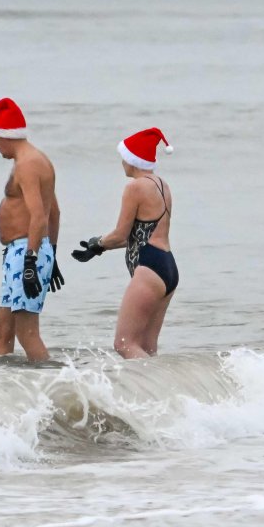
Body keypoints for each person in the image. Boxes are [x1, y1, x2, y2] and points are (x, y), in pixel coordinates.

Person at [72, 128, 178, 359]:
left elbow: (121, 234)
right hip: (167, 267)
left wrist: (97, 243)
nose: (121, 163)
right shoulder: (162, 184)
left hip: (150, 268)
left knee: (124, 344)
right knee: (147, 347)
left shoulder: (135, 187)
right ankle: (161, 394)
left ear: (132, 160)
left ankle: (156, 391)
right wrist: (100, 247)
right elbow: (140, 235)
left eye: (123, 157)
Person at [0, 97, 64, 362]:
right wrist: (51, 254)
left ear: (7, 134)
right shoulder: (33, 160)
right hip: (25, 251)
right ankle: (6, 391)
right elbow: (55, 210)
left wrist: (31, 261)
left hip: (25, 252)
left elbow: (40, 216)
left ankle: (55, 391)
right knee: (2, 330)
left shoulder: (28, 164)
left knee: (27, 333)